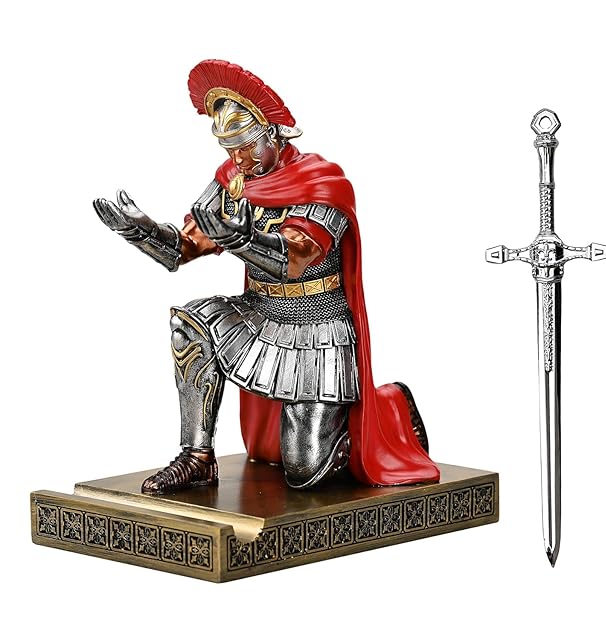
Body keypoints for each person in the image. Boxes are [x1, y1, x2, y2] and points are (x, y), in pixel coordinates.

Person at [93, 59, 440, 494]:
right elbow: (186, 246)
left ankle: (388, 412)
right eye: (230, 148)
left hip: (318, 327)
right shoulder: (233, 180)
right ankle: (197, 457)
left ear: (274, 133)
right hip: (260, 311)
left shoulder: (322, 183)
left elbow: (298, 256)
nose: (238, 159)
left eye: (246, 146)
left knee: (306, 471)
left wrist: (242, 239)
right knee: (191, 323)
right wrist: (141, 232)